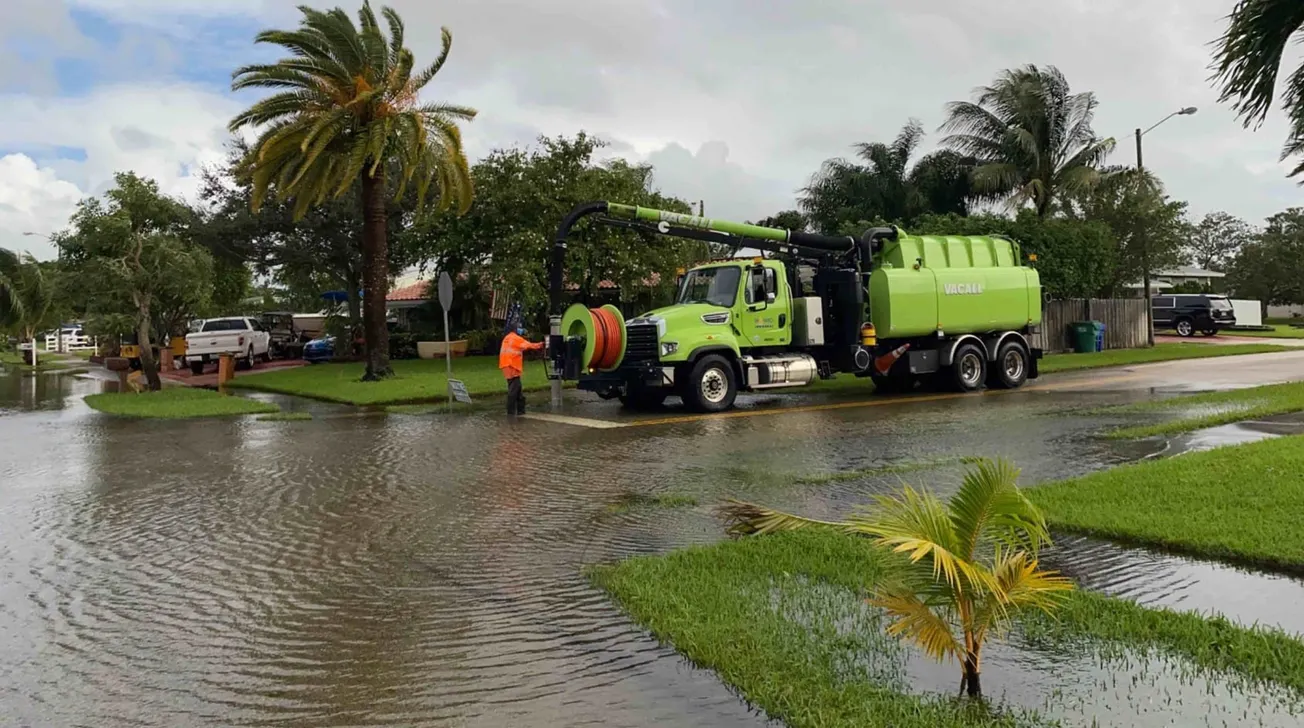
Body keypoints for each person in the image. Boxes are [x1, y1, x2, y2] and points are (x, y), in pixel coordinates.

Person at [499, 323, 544, 416]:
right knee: (514, 389)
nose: (520, 330)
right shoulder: (515, 338)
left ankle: (520, 411)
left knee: (517, 388)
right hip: (512, 366)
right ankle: (511, 412)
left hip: (506, 365)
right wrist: (541, 344)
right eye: (518, 328)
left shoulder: (507, 338)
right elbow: (529, 345)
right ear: (515, 330)